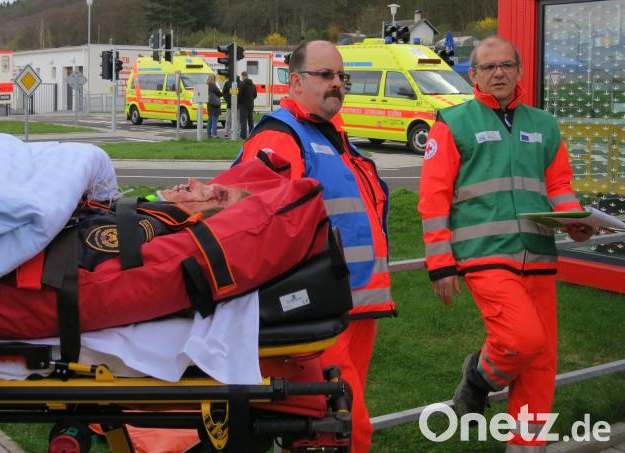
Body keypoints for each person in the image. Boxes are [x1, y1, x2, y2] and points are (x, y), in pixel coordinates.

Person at [417, 36, 594, 452]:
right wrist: (440, 264)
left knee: (540, 362)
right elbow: (433, 199)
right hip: (485, 256)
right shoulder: (453, 122)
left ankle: (525, 445)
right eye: (489, 67)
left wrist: (575, 220)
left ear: (519, 71)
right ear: (473, 74)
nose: (499, 73)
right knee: (521, 340)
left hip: (539, 256)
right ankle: (478, 378)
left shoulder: (544, 124)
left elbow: (558, 186)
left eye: (506, 66)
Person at [238, 40, 395, 453]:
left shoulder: (336, 138)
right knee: (344, 429)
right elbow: (260, 226)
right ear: (295, 81)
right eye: (325, 75)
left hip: (356, 307)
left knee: (330, 428)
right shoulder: (282, 137)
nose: (337, 84)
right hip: (315, 312)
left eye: (342, 77)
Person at [80, 178, 249, 270]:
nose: (192, 181)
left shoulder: (146, 227)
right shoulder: (150, 214)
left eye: (219, 195)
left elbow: (75, 250)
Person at [237, 71, 257, 139]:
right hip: (251, 105)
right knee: (251, 121)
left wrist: (239, 103)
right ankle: (252, 135)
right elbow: (255, 95)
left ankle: (243, 136)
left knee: (243, 121)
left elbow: (240, 96)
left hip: (243, 105)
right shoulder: (253, 85)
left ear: (243, 76)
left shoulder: (242, 85)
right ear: (247, 76)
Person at [206, 75, 223, 139]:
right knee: (214, 121)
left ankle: (208, 134)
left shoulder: (206, 86)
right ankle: (214, 134)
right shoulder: (214, 86)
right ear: (214, 79)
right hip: (215, 106)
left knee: (210, 121)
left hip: (209, 105)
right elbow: (220, 94)